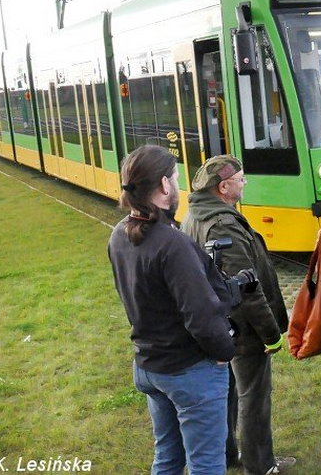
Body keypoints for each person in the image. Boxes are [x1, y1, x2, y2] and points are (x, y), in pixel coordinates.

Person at [108, 145, 235, 475]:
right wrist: (224, 352)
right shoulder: (170, 243)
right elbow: (202, 314)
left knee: (167, 458)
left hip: (150, 366)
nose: (178, 186)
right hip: (187, 370)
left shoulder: (119, 235)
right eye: (176, 178)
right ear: (164, 185)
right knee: (206, 464)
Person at [180, 155, 294, 475]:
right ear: (224, 186)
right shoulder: (222, 223)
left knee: (227, 393)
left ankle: (228, 453)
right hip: (241, 328)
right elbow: (244, 288)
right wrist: (271, 334)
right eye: (241, 179)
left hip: (218, 325)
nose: (245, 184)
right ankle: (260, 465)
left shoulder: (196, 215)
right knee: (253, 398)